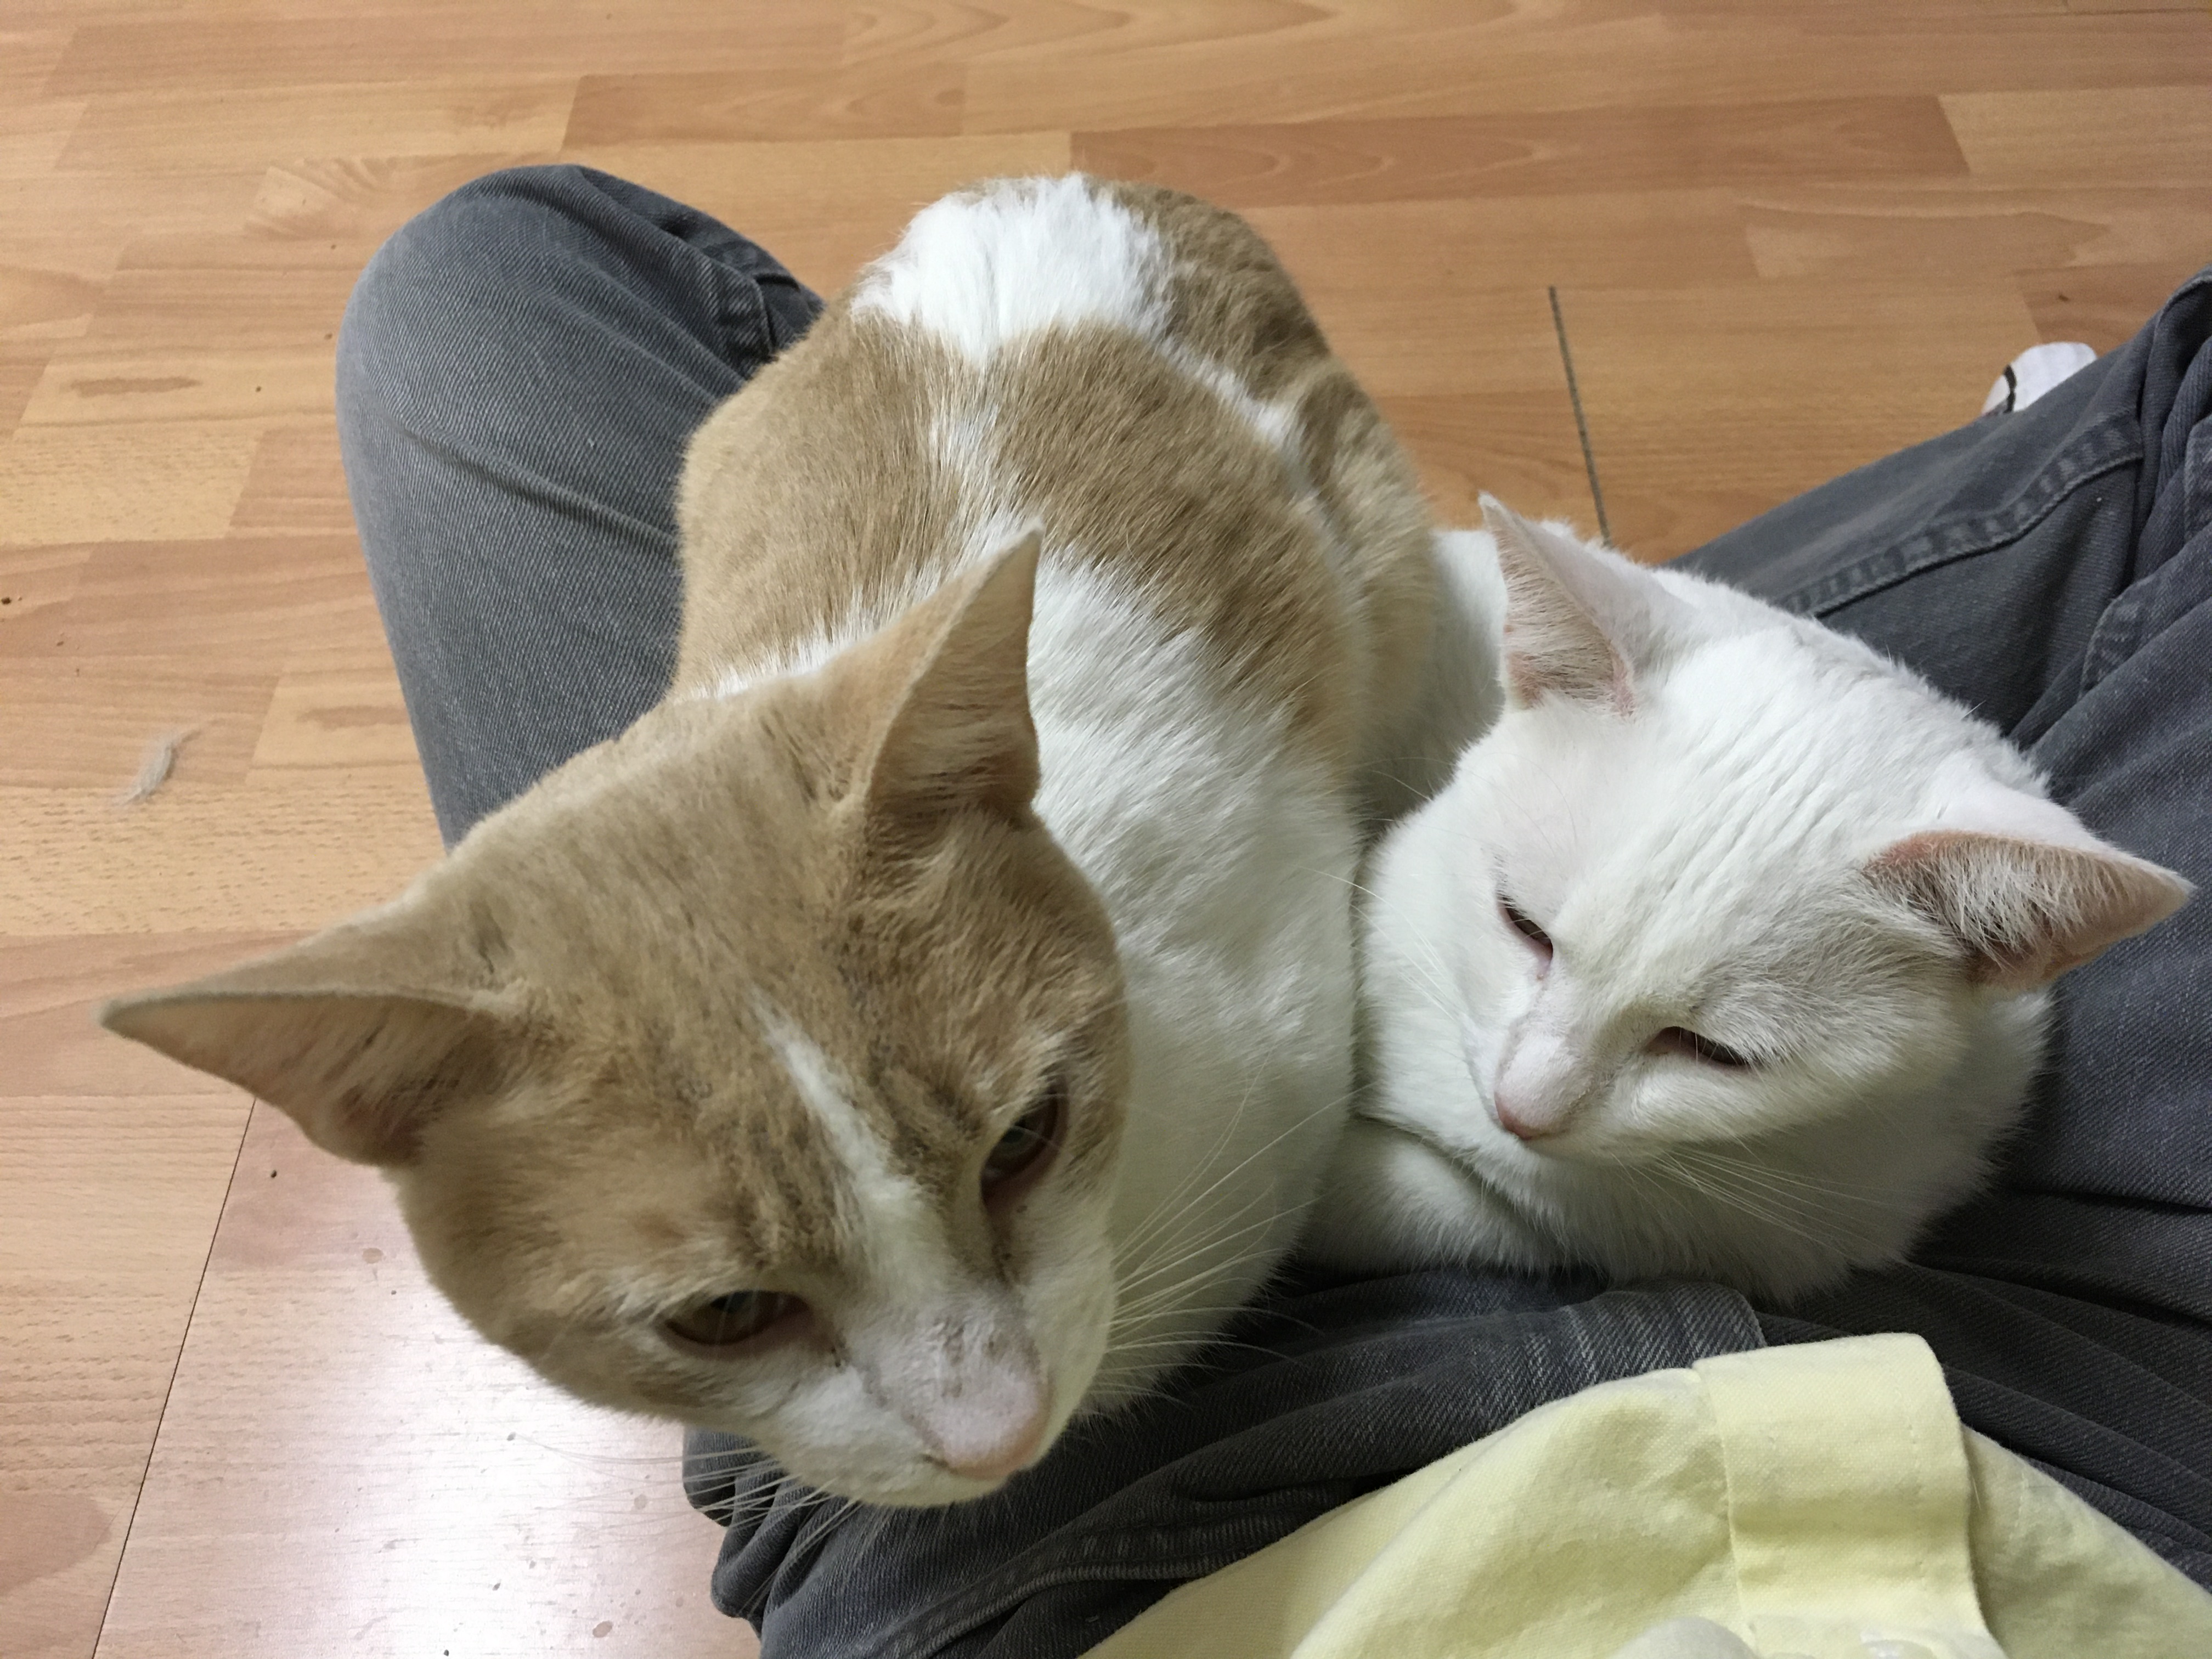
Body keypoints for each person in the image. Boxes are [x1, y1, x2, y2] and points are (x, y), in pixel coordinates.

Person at [335, 166, 2212, 1657]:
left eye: (727, 1310)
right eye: (735, 1306)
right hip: (2073, 1430)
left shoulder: (976, 1382)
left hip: (1057, 1571)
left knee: (477, 275)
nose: (988, 1423)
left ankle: (1982, 557)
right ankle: (1991, 550)